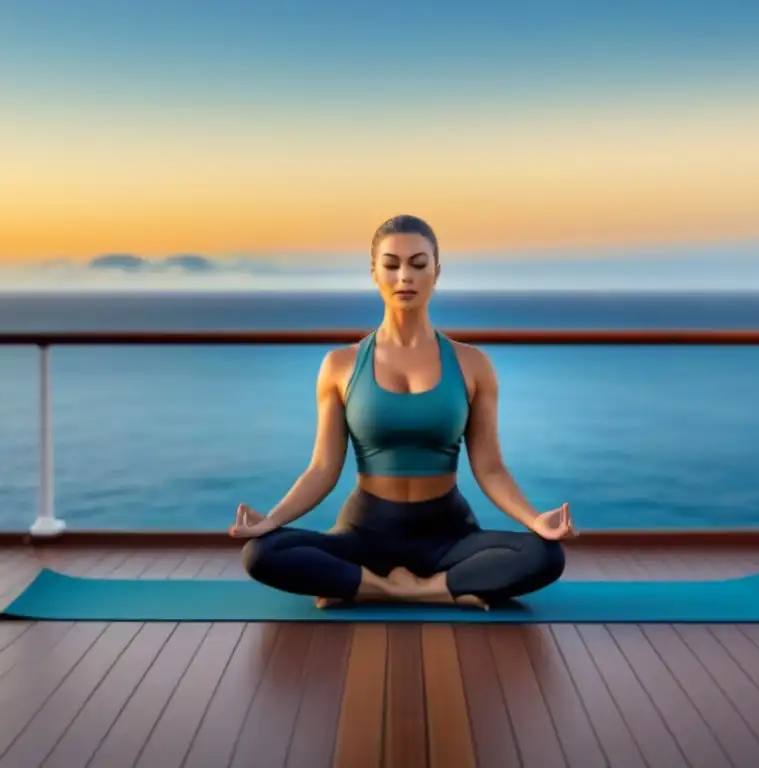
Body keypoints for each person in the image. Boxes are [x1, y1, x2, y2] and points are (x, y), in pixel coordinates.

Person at [230, 214, 575, 610]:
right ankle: (434, 589)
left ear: (437, 272)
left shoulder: (473, 364)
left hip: (448, 536)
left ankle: (385, 589)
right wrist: (271, 520)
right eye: (391, 265)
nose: (404, 276)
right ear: (374, 272)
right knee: (260, 553)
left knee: (546, 555)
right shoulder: (340, 365)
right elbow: (323, 468)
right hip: (365, 532)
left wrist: (536, 521)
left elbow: (490, 467)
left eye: (418, 263)